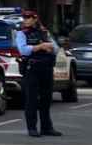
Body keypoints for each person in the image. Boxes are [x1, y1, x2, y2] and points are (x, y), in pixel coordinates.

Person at [15, 9, 61, 137]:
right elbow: (23, 50)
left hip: (46, 68)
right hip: (32, 69)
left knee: (46, 99)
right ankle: (32, 128)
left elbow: (56, 49)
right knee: (31, 99)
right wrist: (40, 47)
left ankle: (47, 127)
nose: (26, 20)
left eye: (28, 17)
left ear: (35, 19)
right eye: (24, 18)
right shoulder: (22, 33)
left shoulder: (44, 32)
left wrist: (48, 46)